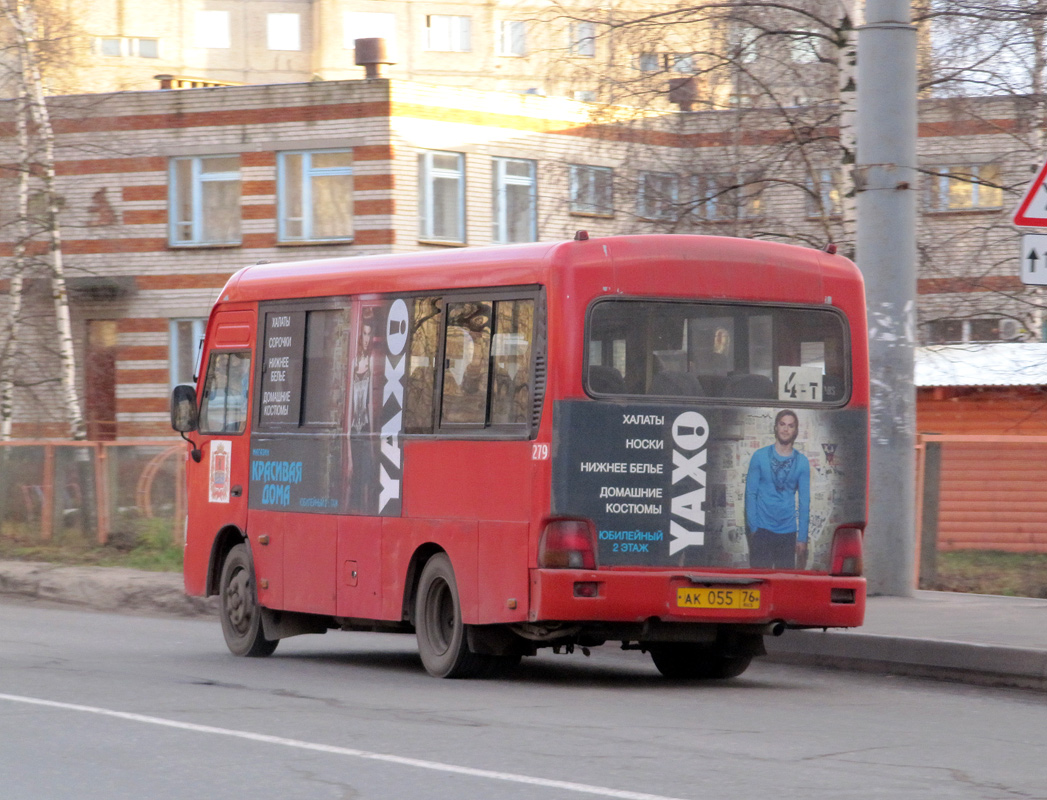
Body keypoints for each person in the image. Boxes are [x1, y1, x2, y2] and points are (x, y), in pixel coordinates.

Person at [744, 409, 810, 569]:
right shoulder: (759, 456)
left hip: (787, 532)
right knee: (759, 584)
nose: (786, 429)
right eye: (782, 424)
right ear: (775, 427)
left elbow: (804, 502)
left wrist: (801, 538)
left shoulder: (802, 462)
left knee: (785, 586)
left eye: (790, 425)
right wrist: (754, 528)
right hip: (762, 530)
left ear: (795, 431)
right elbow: (750, 494)